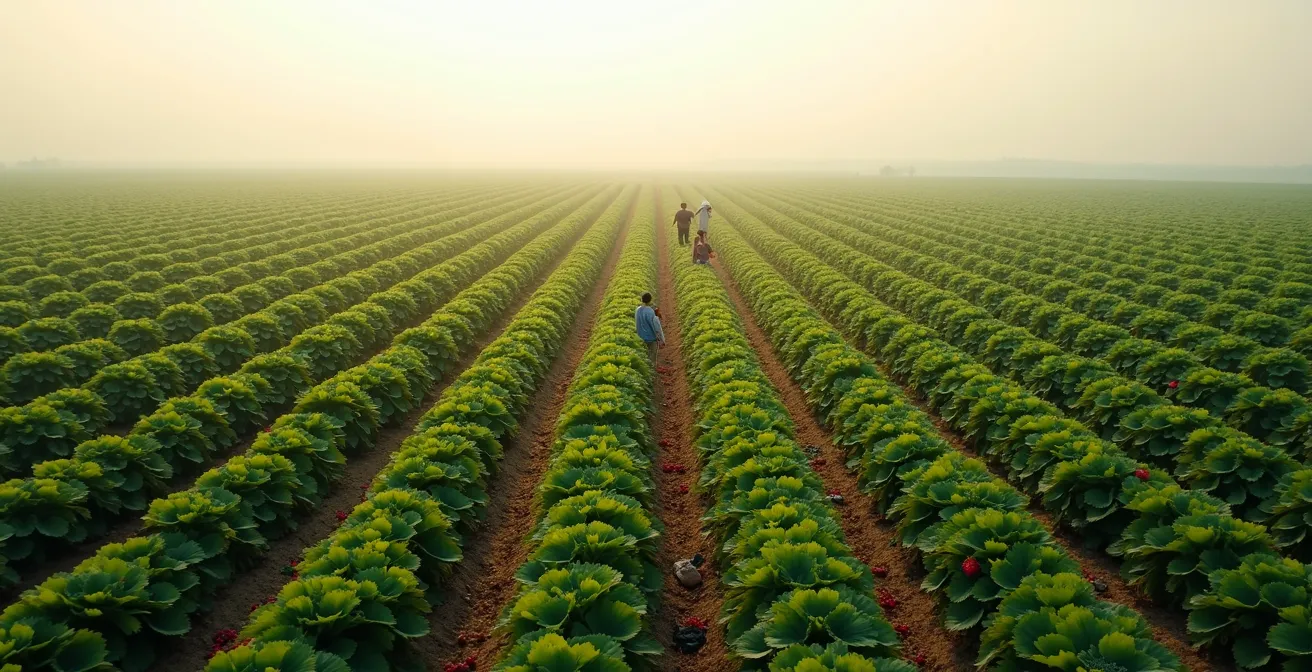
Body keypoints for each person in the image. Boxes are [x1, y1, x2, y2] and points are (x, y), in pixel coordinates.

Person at [635, 292, 665, 362]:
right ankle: (652, 371)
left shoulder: (637, 310)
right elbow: (656, 327)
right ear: (650, 300)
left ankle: (646, 371)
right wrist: (661, 340)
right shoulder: (651, 311)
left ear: (641, 300)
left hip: (641, 337)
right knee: (652, 358)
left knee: (644, 358)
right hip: (651, 338)